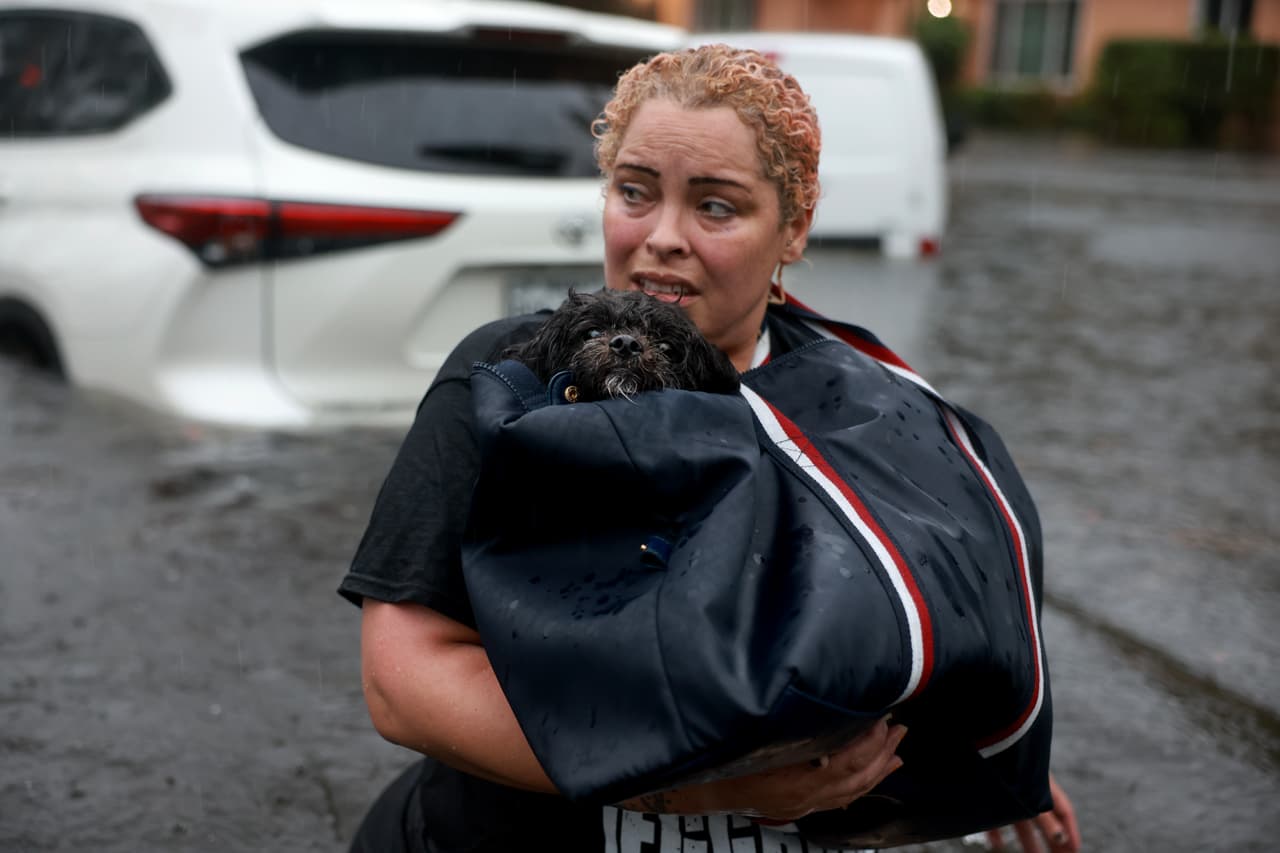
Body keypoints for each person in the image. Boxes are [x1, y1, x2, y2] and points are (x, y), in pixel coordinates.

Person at [338, 44, 1081, 853]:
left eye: (715, 207)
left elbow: (926, 616)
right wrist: (700, 789)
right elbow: (404, 682)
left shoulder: (866, 406)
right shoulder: (504, 380)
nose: (662, 237)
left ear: (792, 227)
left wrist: (981, 758)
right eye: (634, 191)